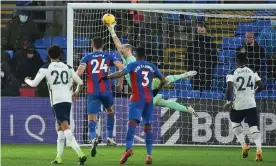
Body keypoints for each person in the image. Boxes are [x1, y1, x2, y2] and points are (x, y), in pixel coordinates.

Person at [106, 22, 198, 116]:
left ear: (128, 49)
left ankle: (138, 115)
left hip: (143, 88)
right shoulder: (128, 58)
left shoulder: (131, 62)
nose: (120, 49)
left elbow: (121, 72)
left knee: (138, 100)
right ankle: (187, 109)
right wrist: (112, 30)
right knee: (164, 101)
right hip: (147, 85)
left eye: (122, 48)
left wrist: (109, 77)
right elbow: (118, 44)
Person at [99, 47, 167, 164]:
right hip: (149, 98)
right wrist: (156, 90)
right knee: (148, 127)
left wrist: (107, 77)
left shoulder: (133, 65)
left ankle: (128, 149)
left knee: (132, 124)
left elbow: (121, 73)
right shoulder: (152, 66)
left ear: (135, 55)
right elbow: (164, 80)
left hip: (137, 97)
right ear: (145, 55)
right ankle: (149, 155)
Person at [24, 45, 87, 165]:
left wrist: (26, 80)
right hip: (67, 100)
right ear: (60, 55)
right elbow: (80, 82)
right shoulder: (68, 67)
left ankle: (81, 154)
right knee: (59, 129)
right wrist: (76, 93)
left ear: (48, 55)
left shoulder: (46, 67)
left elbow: (33, 84)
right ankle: (59, 157)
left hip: (57, 101)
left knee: (65, 128)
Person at [76, 37, 124, 157]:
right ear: (103, 45)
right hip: (106, 90)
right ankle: (109, 137)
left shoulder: (86, 57)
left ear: (92, 45)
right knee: (111, 111)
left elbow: (79, 73)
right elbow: (121, 67)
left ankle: (93, 138)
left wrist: (74, 88)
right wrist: (120, 82)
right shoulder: (109, 56)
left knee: (92, 117)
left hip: (92, 91)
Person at [224, 53, 264, 161]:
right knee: (253, 127)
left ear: (236, 61)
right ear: (246, 61)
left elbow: (229, 89)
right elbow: (261, 86)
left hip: (238, 104)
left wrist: (228, 102)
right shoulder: (252, 72)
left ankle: (244, 145)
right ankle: (259, 150)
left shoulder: (232, 73)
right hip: (251, 104)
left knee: (235, 123)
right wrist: (253, 92)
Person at [186, 24, 218, 91]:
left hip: (206, 73)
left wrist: (207, 68)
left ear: (206, 32)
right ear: (197, 32)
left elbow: (215, 59)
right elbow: (187, 60)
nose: (200, 33)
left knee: (206, 93)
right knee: (195, 93)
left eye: (202, 31)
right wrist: (190, 71)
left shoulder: (212, 45)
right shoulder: (191, 45)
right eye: (199, 31)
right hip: (194, 73)